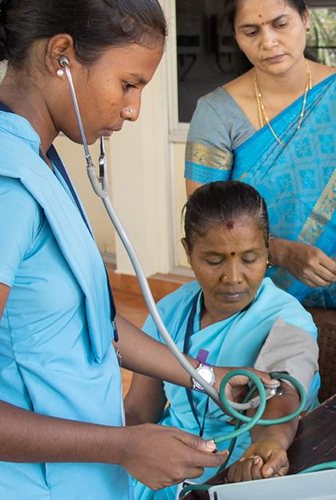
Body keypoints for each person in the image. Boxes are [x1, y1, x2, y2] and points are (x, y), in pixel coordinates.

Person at [0, 1, 275, 498]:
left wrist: (203, 375)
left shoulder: (36, 159)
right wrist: (123, 446)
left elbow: (87, 319)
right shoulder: (1, 195)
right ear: (62, 56)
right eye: (128, 84)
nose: (134, 109)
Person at [183, 0, 336, 369]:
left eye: (281, 24)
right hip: (250, 299)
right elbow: (205, 225)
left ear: (306, 20)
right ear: (236, 35)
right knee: (256, 408)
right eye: (251, 31)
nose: (268, 42)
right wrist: (281, 253)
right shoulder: (216, 113)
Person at [125, 181, 320, 499]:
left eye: (249, 259)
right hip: (164, 467)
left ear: (268, 251)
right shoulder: (170, 311)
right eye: (214, 261)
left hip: (244, 466)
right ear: (188, 252)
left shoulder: (290, 321)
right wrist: (120, 453)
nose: (232, 276)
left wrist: (266, 446)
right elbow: (138, 411)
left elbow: (281, 396)